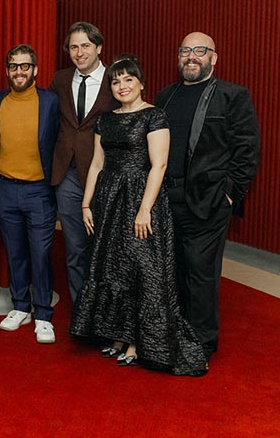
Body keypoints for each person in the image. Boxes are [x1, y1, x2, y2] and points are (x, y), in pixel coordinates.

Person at [70, 55, 207, 376]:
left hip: (140, 200)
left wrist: (145, 209)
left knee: (140, 268)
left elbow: (158, 166)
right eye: (116, 81)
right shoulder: (106, 120)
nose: (122, 86)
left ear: (141, 83)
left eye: (128, 79)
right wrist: (87, 204)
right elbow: (96, 165)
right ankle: (117, 335)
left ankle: (137, 342)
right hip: (108, 200)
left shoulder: (154, 116)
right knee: (110, 266)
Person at [156, 32, 260, 359]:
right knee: (171, 271)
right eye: (185, 50)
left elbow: (248, 149)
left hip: (208, 201)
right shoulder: (165, 97)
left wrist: (230, 193)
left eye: (199, 51)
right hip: (166, 200)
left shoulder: (233, 96)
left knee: (200, 272)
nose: (191, 57)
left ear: (213, 58)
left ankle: (201, 344)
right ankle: (176, 333)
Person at [0, 45, 60, 343]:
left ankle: (43, 313)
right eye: (13, 66)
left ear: (35, 70)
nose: (18, 71)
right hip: (5, 188)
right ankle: (20, 306)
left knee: (41, 253)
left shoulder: (50, 102)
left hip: (39, 191)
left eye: (24, 66)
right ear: (7, 70)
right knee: (15, 251)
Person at [49, 22, 119, 303]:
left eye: (86, 46)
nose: (79, 52)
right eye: (74, 47)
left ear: (99, 47)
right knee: (74, 246)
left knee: (105, 246)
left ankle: (105, 309)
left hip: (104, 176)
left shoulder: (117, 79)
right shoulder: (61, 80)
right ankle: (82, 308)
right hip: (66, 174)